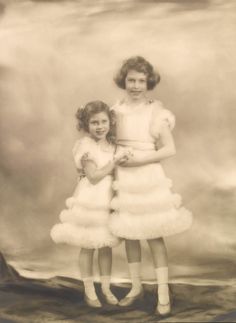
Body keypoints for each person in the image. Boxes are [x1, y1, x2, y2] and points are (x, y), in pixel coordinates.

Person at [109, 56, 193, 315]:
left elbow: (169, 149)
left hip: (147, 176)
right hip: (123, 175)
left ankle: (163, 293)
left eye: (141, 81)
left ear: (149, 83)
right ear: (124, 81)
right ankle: (136, 287)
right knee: (129, 233)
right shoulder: (116, 110)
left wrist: (140, 160)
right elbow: (111, 143)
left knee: (153, 235)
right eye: (131, 80)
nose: (135, 86)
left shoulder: (156, 112)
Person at [51, 100, 130, 308]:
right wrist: (114, 163)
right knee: (88, 245)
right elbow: (93, 176)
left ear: (110, 122)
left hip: (108, 199)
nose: (100, 126)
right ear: (86, 124)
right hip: (91, 199)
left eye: (104, 121)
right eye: (94, 122)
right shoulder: (85, 146)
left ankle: (105, 287)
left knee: (105, 246)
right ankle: (89, 289)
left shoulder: (112, 145)